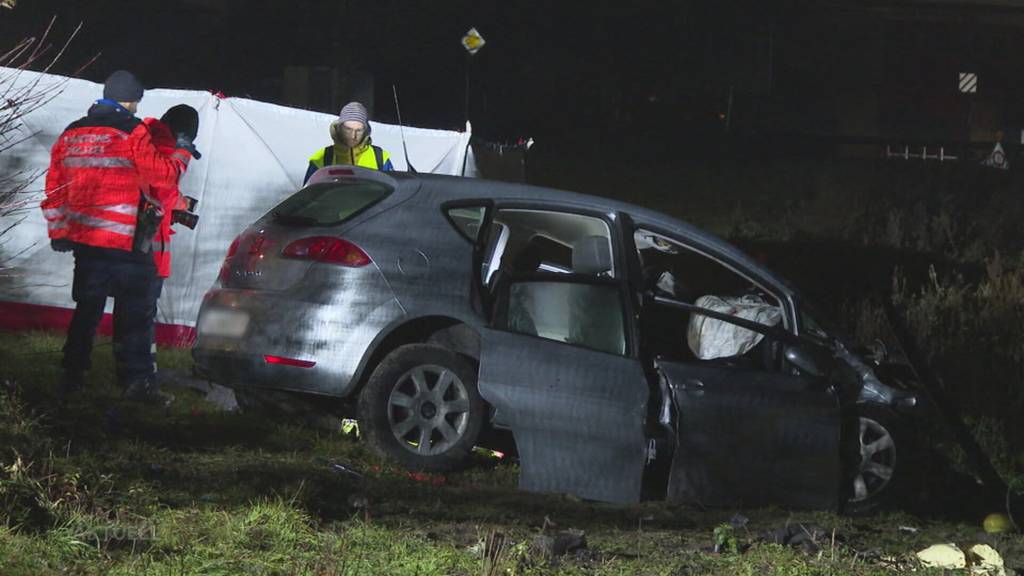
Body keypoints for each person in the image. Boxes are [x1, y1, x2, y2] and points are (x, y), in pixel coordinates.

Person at [40, 70, 199, 403]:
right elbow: (164, 177)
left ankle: (72, 377)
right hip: (124, 241)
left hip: (86, 240)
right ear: (131, 101)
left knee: (87, 310)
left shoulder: (72, 132)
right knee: (135, 314)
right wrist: (183, 151)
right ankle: (137, 383)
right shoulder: (132, 131)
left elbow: (54, 188)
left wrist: (59, 231)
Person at [303, 101, 393, 183]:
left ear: (366, 131)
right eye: (348, 129)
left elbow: (394, 189)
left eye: (359, 130)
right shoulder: (321, 159)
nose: (353, 136)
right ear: (339, 128)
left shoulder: (380, 157)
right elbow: (308, 193)